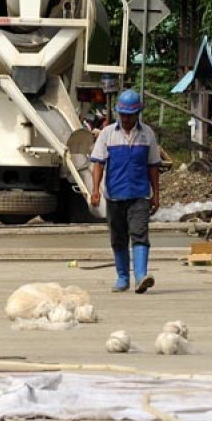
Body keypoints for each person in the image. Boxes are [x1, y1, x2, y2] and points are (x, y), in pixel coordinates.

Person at [90, 89, 161, 293]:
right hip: (114, 194)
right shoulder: (107, 134)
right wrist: (95, 190)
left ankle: (140, 276)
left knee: (140, 234)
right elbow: (98, 164)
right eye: (123, 115)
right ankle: (122, 277)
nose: (127, 119)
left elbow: (153, 167)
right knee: (118, 238)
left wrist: (156, 195)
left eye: (130, 115)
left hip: (139, 194)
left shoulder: (147, 134)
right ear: (118, 113)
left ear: (138, 113)